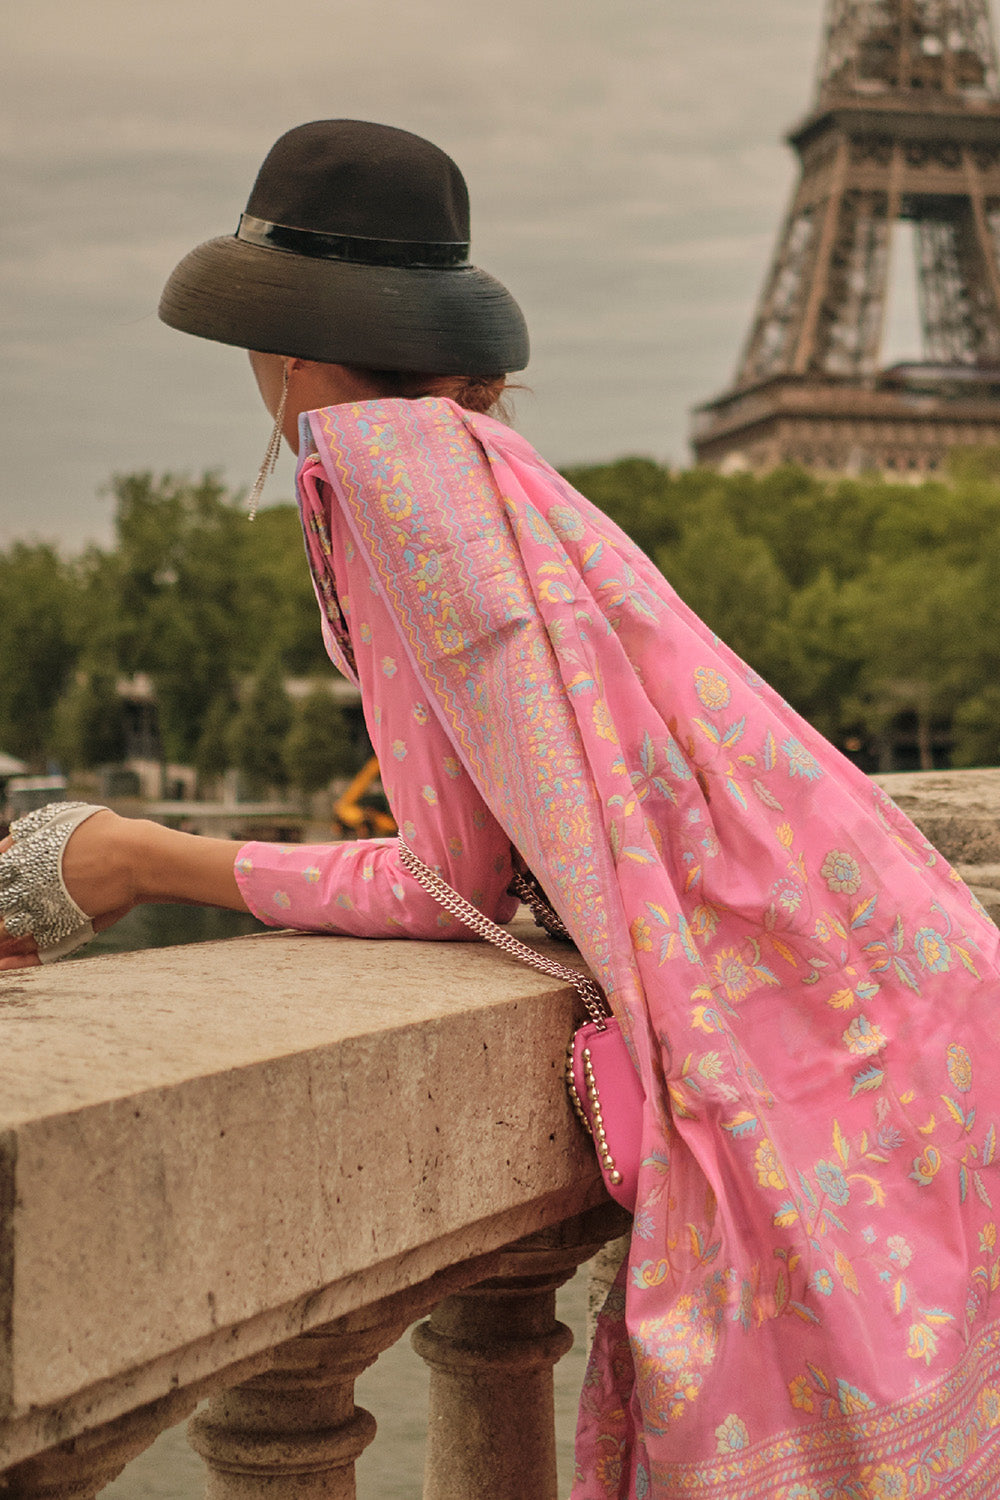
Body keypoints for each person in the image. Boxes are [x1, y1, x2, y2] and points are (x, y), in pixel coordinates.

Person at [3, 119, 1000, 1498]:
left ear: (284, 354)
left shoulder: (381, 488)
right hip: (908, 969)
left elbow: (453, 882)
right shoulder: (496, 475)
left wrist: (137, 857)